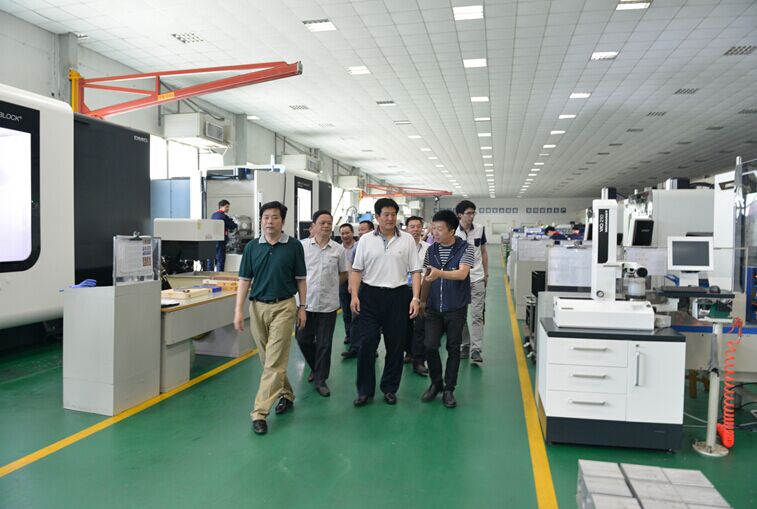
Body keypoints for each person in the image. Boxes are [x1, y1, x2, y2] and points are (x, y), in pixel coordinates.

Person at [233, 201, 307, 436]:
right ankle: (286, 393)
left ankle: (259, 412)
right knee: (268, 360)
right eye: (265, 217)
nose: (269, 221)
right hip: (257, 307)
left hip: (284, 306)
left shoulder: (293, 246)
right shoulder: (252, 247)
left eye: (274, 217)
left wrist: (302, 307)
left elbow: (301, 279)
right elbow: (244, 280)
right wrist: (238, 310)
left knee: (274, 361)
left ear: (282, 221)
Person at [350, 199, 422, 406]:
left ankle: (389, 388)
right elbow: (357, 270)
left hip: (398, 296)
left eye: (393, 214)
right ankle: (365, 391)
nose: (390, 218)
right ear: (377, 217)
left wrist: (415, 298)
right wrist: (354, 296)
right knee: (366, 343)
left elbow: (415, 271)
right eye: (386, 214)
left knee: (395, 345)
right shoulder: (365, 240)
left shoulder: (407, 239)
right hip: (370, 296)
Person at [420, 210, 474, 408]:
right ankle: (436, 383)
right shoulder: (431, 250)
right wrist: (421, 301)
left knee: (453, 347)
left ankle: (449, 389)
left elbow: (462, 274)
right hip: (434, 307)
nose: (435, 232)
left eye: (440, 229)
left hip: (456, 307)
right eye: (433, 228)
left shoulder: (466, 248)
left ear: (452, 230)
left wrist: (440, 273)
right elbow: (428, 276)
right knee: (430, 345)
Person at [296, 210, 348, 397]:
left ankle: (321, 379)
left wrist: (331, 286)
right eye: (322, 223)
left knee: (324, 344)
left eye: (329, 223)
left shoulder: (338, 250)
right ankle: (315, 367)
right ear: (314, 226)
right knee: (303, 339)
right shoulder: (301, 247)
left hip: (328, 304)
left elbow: (344, 274)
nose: (326, 226)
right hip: (305, 304)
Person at [455, 200, 488, 365]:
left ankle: (476, 349)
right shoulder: (452, 231)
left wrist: (486, 274)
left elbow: (483, 252)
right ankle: (465, 344)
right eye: (468, 213)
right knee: (460, 315)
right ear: (460, 215)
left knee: (477, 315)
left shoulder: (480, 229)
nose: (471, 216)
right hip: (459, 279)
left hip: (477, 277)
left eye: (473, 213)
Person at [342, 219, 375, 359]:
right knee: (355, 316)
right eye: (359, 230)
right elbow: (352, 267)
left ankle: (372, 348)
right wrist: (351, 284)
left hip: (373, 287)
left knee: (372, 319)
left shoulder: (378, 245)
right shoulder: (358, 246)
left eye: (363, 229)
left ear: (372, 230)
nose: (361, 232)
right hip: (360, 285)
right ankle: (355, 347)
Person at [404, 216, 429, 376]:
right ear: (406, 229)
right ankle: (409, 352)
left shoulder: (428, 248)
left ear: (422, 229)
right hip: (402, 290)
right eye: (412, 226)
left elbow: (430, 271)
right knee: (404, 325)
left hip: (421, 291)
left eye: (418, 226)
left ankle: (419, 361)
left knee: (420, 326)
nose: (415, 229)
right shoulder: (399, 246)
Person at [338, 223, 358, 349]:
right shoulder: (338, 248)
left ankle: (357, 337)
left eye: (347, 233)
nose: (345, 236)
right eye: (342, 233)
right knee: (346, 311)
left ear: (352, 233)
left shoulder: (359, 246)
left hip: (357, 282)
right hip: (343, 282)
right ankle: (349, 335)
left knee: (357, 311)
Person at [211, 200, 237, 271]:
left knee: (212, 260)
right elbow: (232, 226)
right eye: (226, 207)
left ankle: (210, 274)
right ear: (221, 207)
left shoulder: (213, 215)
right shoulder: (223, 216)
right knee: (220, 260)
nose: (228, 208)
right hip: (220, 241)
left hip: (212, 240)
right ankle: (220, 275)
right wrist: (234, 223)